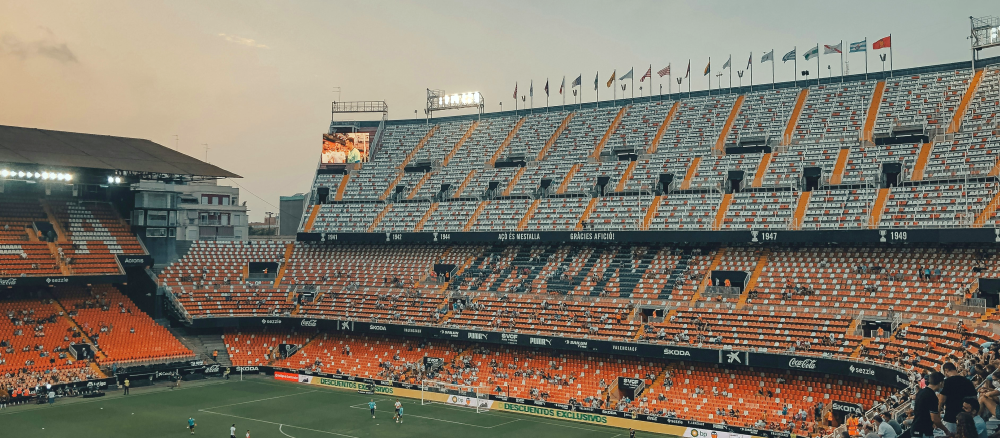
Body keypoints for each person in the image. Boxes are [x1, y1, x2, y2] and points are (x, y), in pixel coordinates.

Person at [941, 362, 978, 432]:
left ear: (946, 370)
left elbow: (942, 400)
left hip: (950, 417)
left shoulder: (946, 382)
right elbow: (974, 399)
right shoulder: (968, 381)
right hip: (965, 417)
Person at [913, 372, 949, 438]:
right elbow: (935, 419)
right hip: (924, 431)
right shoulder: (932, 396)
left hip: (916, 427)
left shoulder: (921, 391)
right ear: (941, 383)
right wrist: (946, 431)